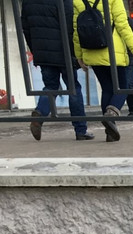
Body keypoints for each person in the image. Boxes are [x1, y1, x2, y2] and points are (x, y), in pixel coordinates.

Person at [21, 0, 94, 141]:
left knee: (50, 87)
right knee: (74, 88)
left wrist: (35, 50)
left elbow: (26, 27)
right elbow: (70, 26)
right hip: (64, 52)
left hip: (43, 51)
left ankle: (40, 114)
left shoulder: (28, 2)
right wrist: (75, 53)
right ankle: (80, 129)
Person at [73, 0, 133, 141]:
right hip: (113, 52)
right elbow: (123, 25)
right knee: (123, 87)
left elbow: (76, 30)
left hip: (92, 52)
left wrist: (79, 55)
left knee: (107, 89)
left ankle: (110, 131)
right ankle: (110, 115)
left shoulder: (77, 1)